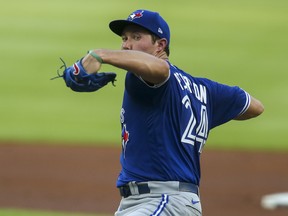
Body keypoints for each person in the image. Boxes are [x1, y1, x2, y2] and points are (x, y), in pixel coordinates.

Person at [77, 9, 264, 216]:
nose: (126, 45)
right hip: (161, 202)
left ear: (160, 45)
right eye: (124, 38)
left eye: (136, 37)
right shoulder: (204, 90)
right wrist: (203, 111)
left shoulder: (144, 77)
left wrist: (101, 55)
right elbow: (254, 107)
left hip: (163, 200)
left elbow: (162, 71)